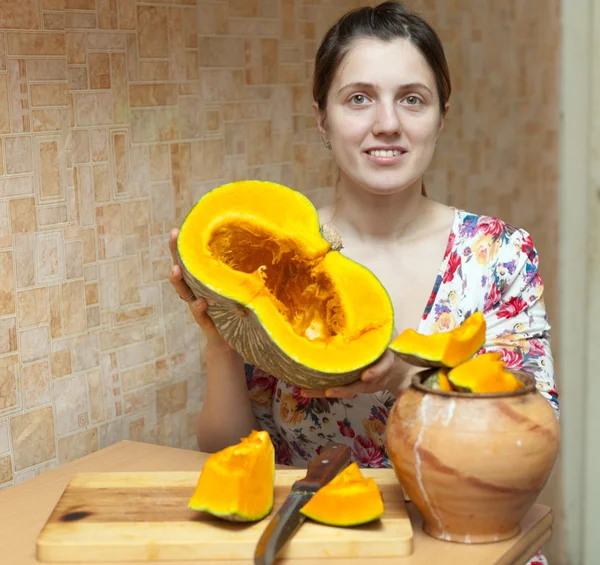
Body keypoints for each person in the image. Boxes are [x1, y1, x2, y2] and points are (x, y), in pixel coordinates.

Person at [169, 3, 557, 563]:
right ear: (322, 119)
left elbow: (533, 434)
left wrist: (409, 378)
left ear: (441, 117)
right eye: (358, 98)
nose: (387, 124)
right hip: (320, 548)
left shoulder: (499, 254)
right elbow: (233, 454)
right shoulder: (274, 265)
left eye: (412, 99)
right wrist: (221, 345)